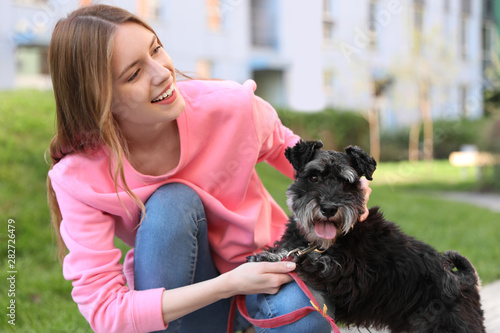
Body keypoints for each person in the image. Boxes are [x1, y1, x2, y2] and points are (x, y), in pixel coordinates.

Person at [46, 4, 372, 333]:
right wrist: (228, 284)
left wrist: (351, 194)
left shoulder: (231, 107)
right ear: (99, 99)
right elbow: (106, 311)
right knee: (170, 202)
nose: (161, 73)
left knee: (306, 316)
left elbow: (305, 160)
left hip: (266, 276)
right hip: (186, 305)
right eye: (133, 74)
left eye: (156, 49)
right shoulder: (80, 178)